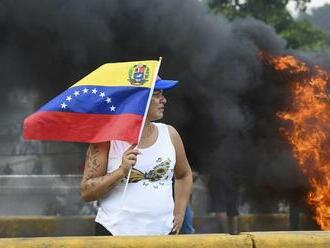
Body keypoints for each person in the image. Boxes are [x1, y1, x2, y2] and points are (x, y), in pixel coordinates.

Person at [80, 77, 193, 236]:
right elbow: (86, 192)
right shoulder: (105, 139)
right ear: (137, 100)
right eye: (156, 94)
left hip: (164, 234)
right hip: (114, 234)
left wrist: (179, 212)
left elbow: (184, 175)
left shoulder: (170, 134)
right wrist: (121, 171)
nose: (164, 100)